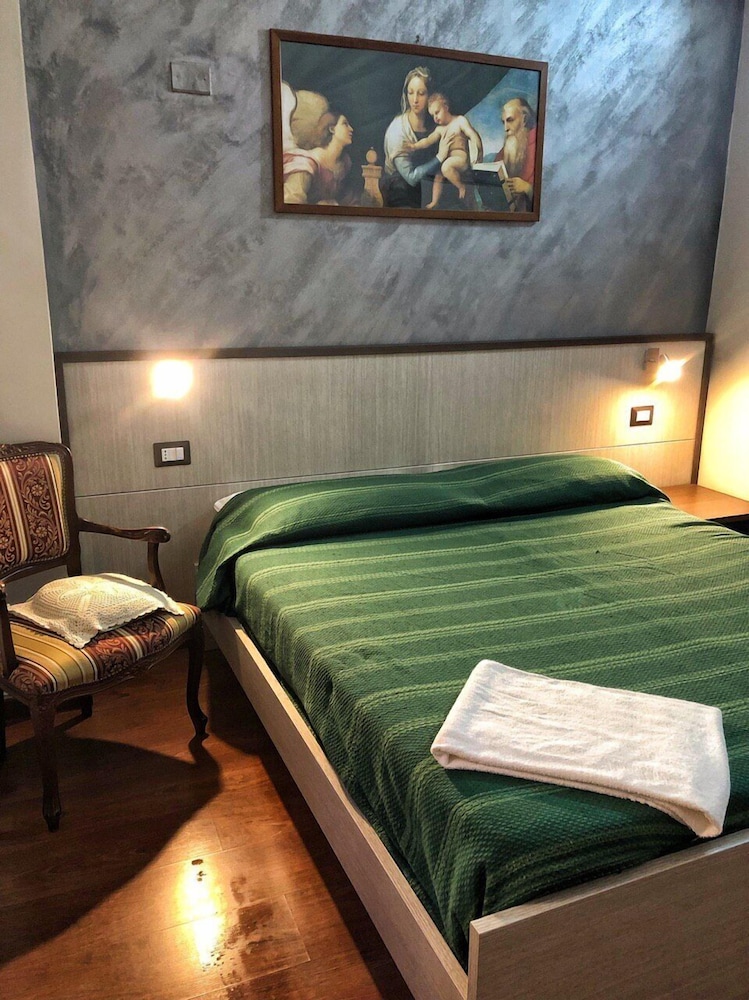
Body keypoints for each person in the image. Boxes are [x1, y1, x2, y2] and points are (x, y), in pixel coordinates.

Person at [381, 66, 453, 209]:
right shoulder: (398, 130)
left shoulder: (436, 124)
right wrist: (439, 157)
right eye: (410, 93)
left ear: (430, 96)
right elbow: (411, 178)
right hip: (402, 194)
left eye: (421, 93)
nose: (414, 100)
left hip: (432, 190)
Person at [403, 92, 483, 208]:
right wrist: (414, 146)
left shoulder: (459, 121)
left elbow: (472, 134)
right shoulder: (440, 129)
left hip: (461, 159)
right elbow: (427, 141)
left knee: (445, 167)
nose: (435, 117)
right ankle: (434, 201)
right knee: (438, 177)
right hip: (449, 161)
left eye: (437, 112)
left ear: (446, 107)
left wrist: (479, 150)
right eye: (432, 115)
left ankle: (461, 186)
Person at [283, 111, 355, 205]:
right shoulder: (306, 163)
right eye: (345, 124)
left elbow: (347, 200)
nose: (351, 129)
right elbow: (291, 200)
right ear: (332, 129)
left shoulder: (343, 163)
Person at [494, 97, 537, 212]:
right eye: (503, 122)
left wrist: (527, 188)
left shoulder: (538, 146)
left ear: (524, 119)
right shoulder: (503, 153)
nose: (505, 128)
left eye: (510, 120)